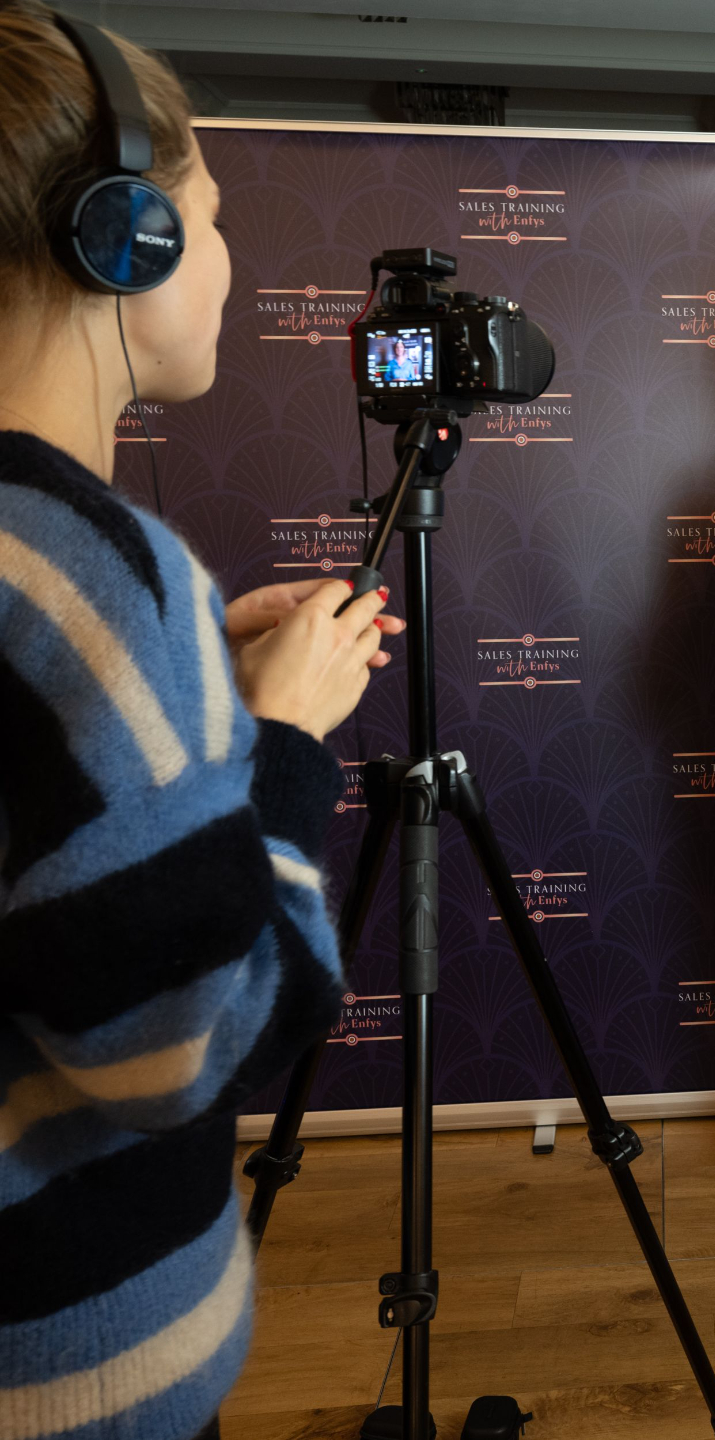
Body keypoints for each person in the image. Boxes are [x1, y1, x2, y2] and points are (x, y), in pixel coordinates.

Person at [0, 8, 404, 1438]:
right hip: (70, 1377)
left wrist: (190, 705)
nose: (231, 261)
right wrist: (280, 742)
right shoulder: (104, 573)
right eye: (212, 217)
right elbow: (188, 1042)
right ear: (126, 240)